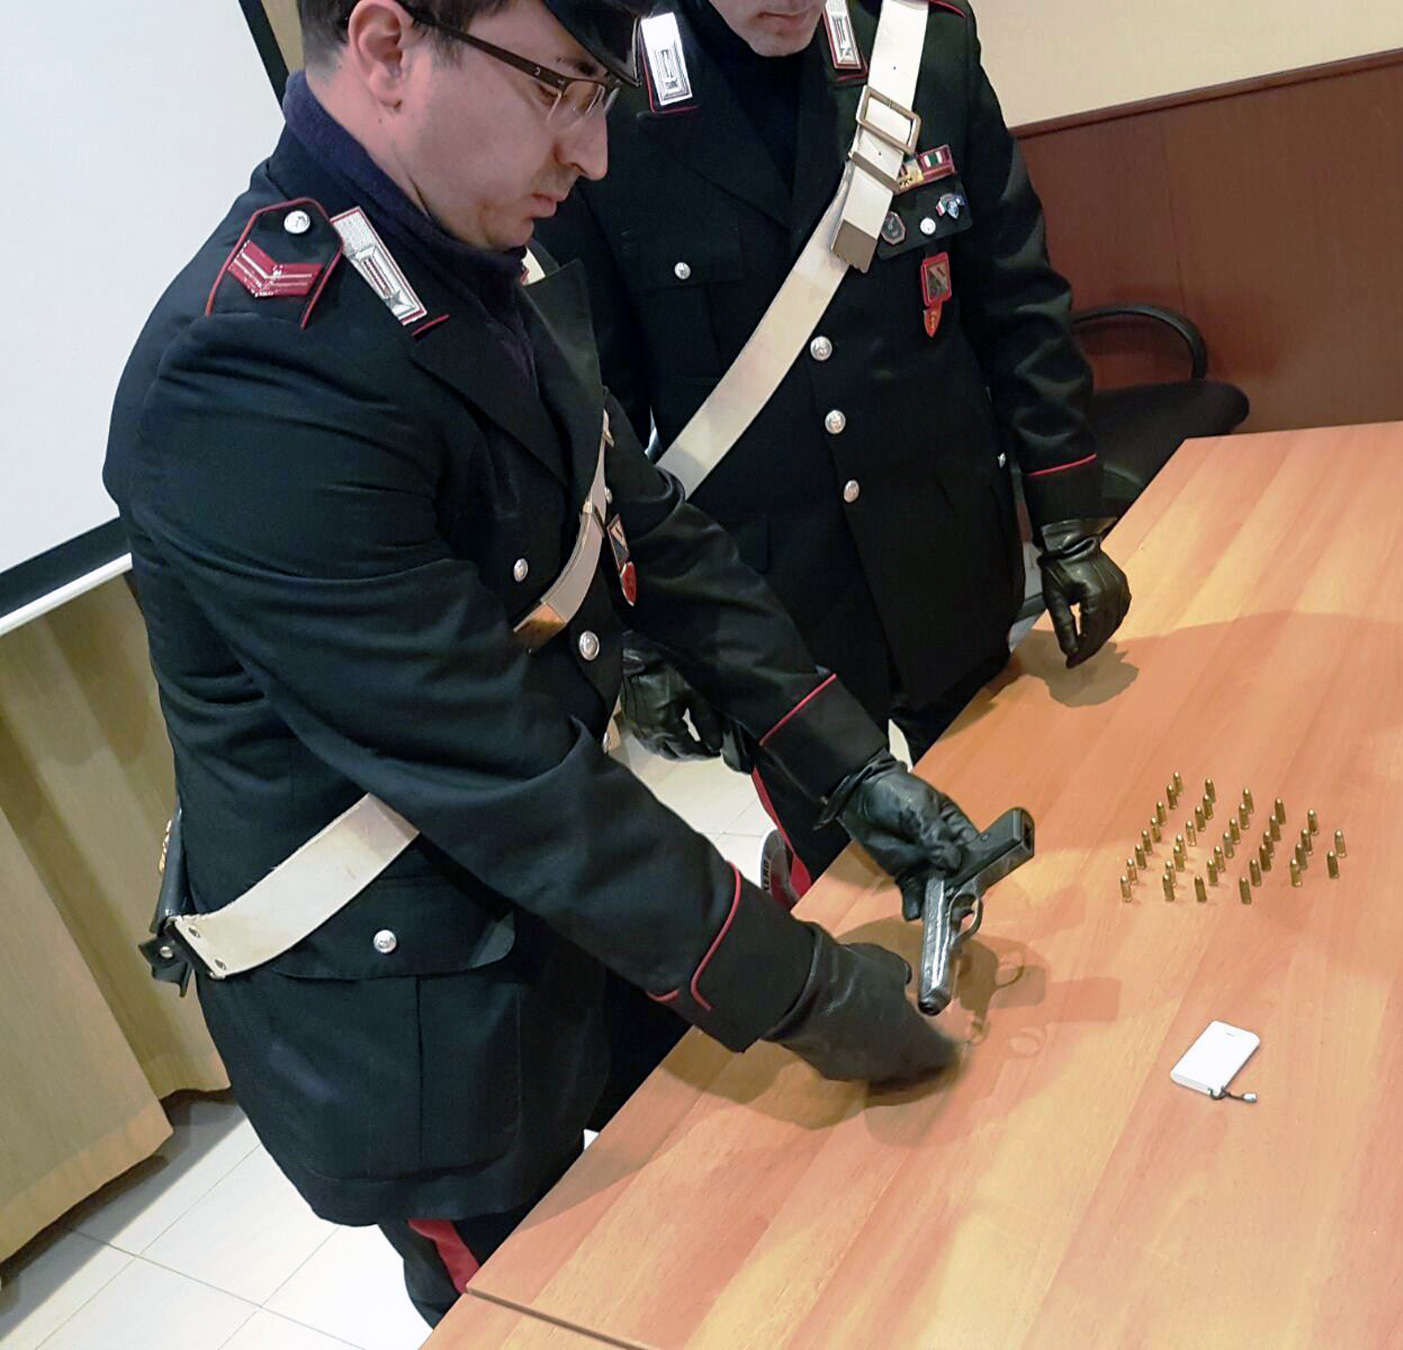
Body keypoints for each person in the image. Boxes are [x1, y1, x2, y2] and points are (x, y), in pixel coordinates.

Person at [105, 0, 987, 1326]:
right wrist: (796, 986)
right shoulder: (245, 375)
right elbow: (491, 762)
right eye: (563, 87)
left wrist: (853, 765)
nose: (596, 152)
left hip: (581, 915)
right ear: (388, 46)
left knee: (744, 1271)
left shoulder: (456, 245)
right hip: (421, 1022)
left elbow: (643, 525)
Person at [534, 0, 1130, 904]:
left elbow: (1018, 301)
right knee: (847, 895)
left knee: (1023, 844)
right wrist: (645, 646)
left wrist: (1068, 514)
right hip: (768, 613)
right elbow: (596, 418)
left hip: (948, 554)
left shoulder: (920, 47)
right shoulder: (605, 98)